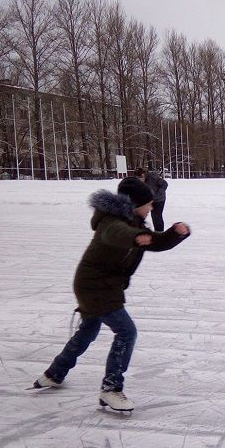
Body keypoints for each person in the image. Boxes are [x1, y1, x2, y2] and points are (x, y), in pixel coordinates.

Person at [33, 176, 191, 411]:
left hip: (100, 285)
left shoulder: (134, 223)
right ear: (136, 204)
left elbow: (153, 242)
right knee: (127, 332)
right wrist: (134, 238)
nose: (152, 208)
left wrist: (174, 234)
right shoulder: (112, 222)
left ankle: (54, 373)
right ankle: (111, 388)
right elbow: (116, 234)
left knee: (88, 331)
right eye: (149, 203)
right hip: (96, 287)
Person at [134, 167, 169, 231]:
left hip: (159, 199)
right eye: (138, 179)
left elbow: (165, 184)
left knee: (156, 216)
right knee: (139, 213)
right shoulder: (137, 181)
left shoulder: (153, 177)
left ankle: (159, 233)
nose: (140, 180)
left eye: (141, 178)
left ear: (144, 174)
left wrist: (158, 193)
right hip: (148, 199)